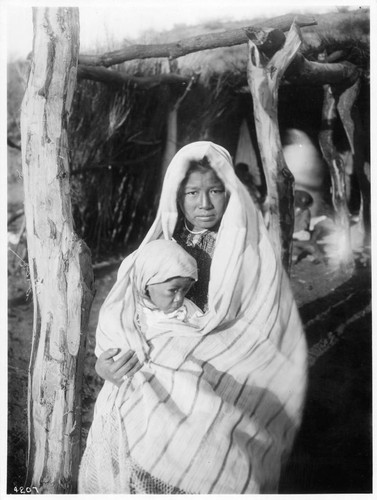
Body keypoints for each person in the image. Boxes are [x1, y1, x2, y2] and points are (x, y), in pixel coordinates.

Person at [79, 141, 307, 494]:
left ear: (231, 191)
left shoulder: (250, 253)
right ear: (176, 196)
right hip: (156, 359)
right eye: (191, 193)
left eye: (215, 190)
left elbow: (259, 330)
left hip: (226, 369)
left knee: (214, 437)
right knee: (129, 407)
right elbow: (124, 308)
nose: (204, 204)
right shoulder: (162, 244)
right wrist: (106, 361)